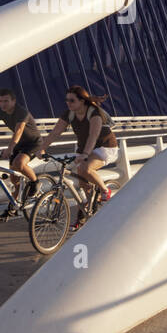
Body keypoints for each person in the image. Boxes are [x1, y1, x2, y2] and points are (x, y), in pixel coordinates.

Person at [40, 85, 117, 227]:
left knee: (86, 169)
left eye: (72, 100)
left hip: (104, 147)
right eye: (66, 100)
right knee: (82, 182)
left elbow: (93, 136)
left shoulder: (94, 113)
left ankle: (105, 190)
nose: (68, 103)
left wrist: (86, 154)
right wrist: (42, 149)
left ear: (82, 101)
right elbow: (55, 133)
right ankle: (87, 211)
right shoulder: (68, 114)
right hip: (84, 149)